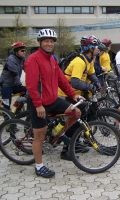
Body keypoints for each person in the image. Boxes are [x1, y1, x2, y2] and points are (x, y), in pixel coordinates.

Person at [25, 28, 83, 178]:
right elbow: (31, 85)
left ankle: (55, 135)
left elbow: (61, 80)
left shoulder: (52, 59)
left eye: (51, 41)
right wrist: (38, 105)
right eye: (46, 41)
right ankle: (39, 167)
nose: (49, 43)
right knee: (39, 136)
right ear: (40, 43)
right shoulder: (33, 59)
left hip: (52, 99)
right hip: (38, 102)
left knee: (76, 112)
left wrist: (73, 95)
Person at [59, 35, 101, 160]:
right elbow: (75, 82)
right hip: (65, 93)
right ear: (90, 48)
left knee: (82, 116)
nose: (98, 49)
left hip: (77, 94)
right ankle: (66, 150)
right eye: (96, 47)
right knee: (76, 119)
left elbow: (91, 74)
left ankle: (75, 143)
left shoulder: (89, 60)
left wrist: (97, 83)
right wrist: (90, 87)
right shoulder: (79, 61)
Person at [0, 41, 27, 110]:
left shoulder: (22, 59)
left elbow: (27, 69)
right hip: (6, 85)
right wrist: (19, 84)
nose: (24, 52)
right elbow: (15, 73)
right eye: (22, 50)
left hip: (14, 85)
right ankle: (7, 118)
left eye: (25, 50)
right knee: (6, 106)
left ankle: (16, 109)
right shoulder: (11, 59)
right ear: (16, 51)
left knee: (27, 91)